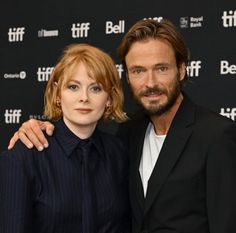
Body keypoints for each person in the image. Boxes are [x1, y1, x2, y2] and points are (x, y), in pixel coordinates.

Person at [8, 19, 236, 233]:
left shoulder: (216, 135)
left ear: (182, 70)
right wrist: (32, 128)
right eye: (138, 71)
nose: (150, 83)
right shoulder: (128, 134)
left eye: (161, 68)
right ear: (127, 77)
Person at [0, 43, 131, 233]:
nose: (84, 97)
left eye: (95, 88)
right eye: (73, 87)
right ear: (57, 93)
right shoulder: (25, 155)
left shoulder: (120, 154)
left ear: (109, 98)